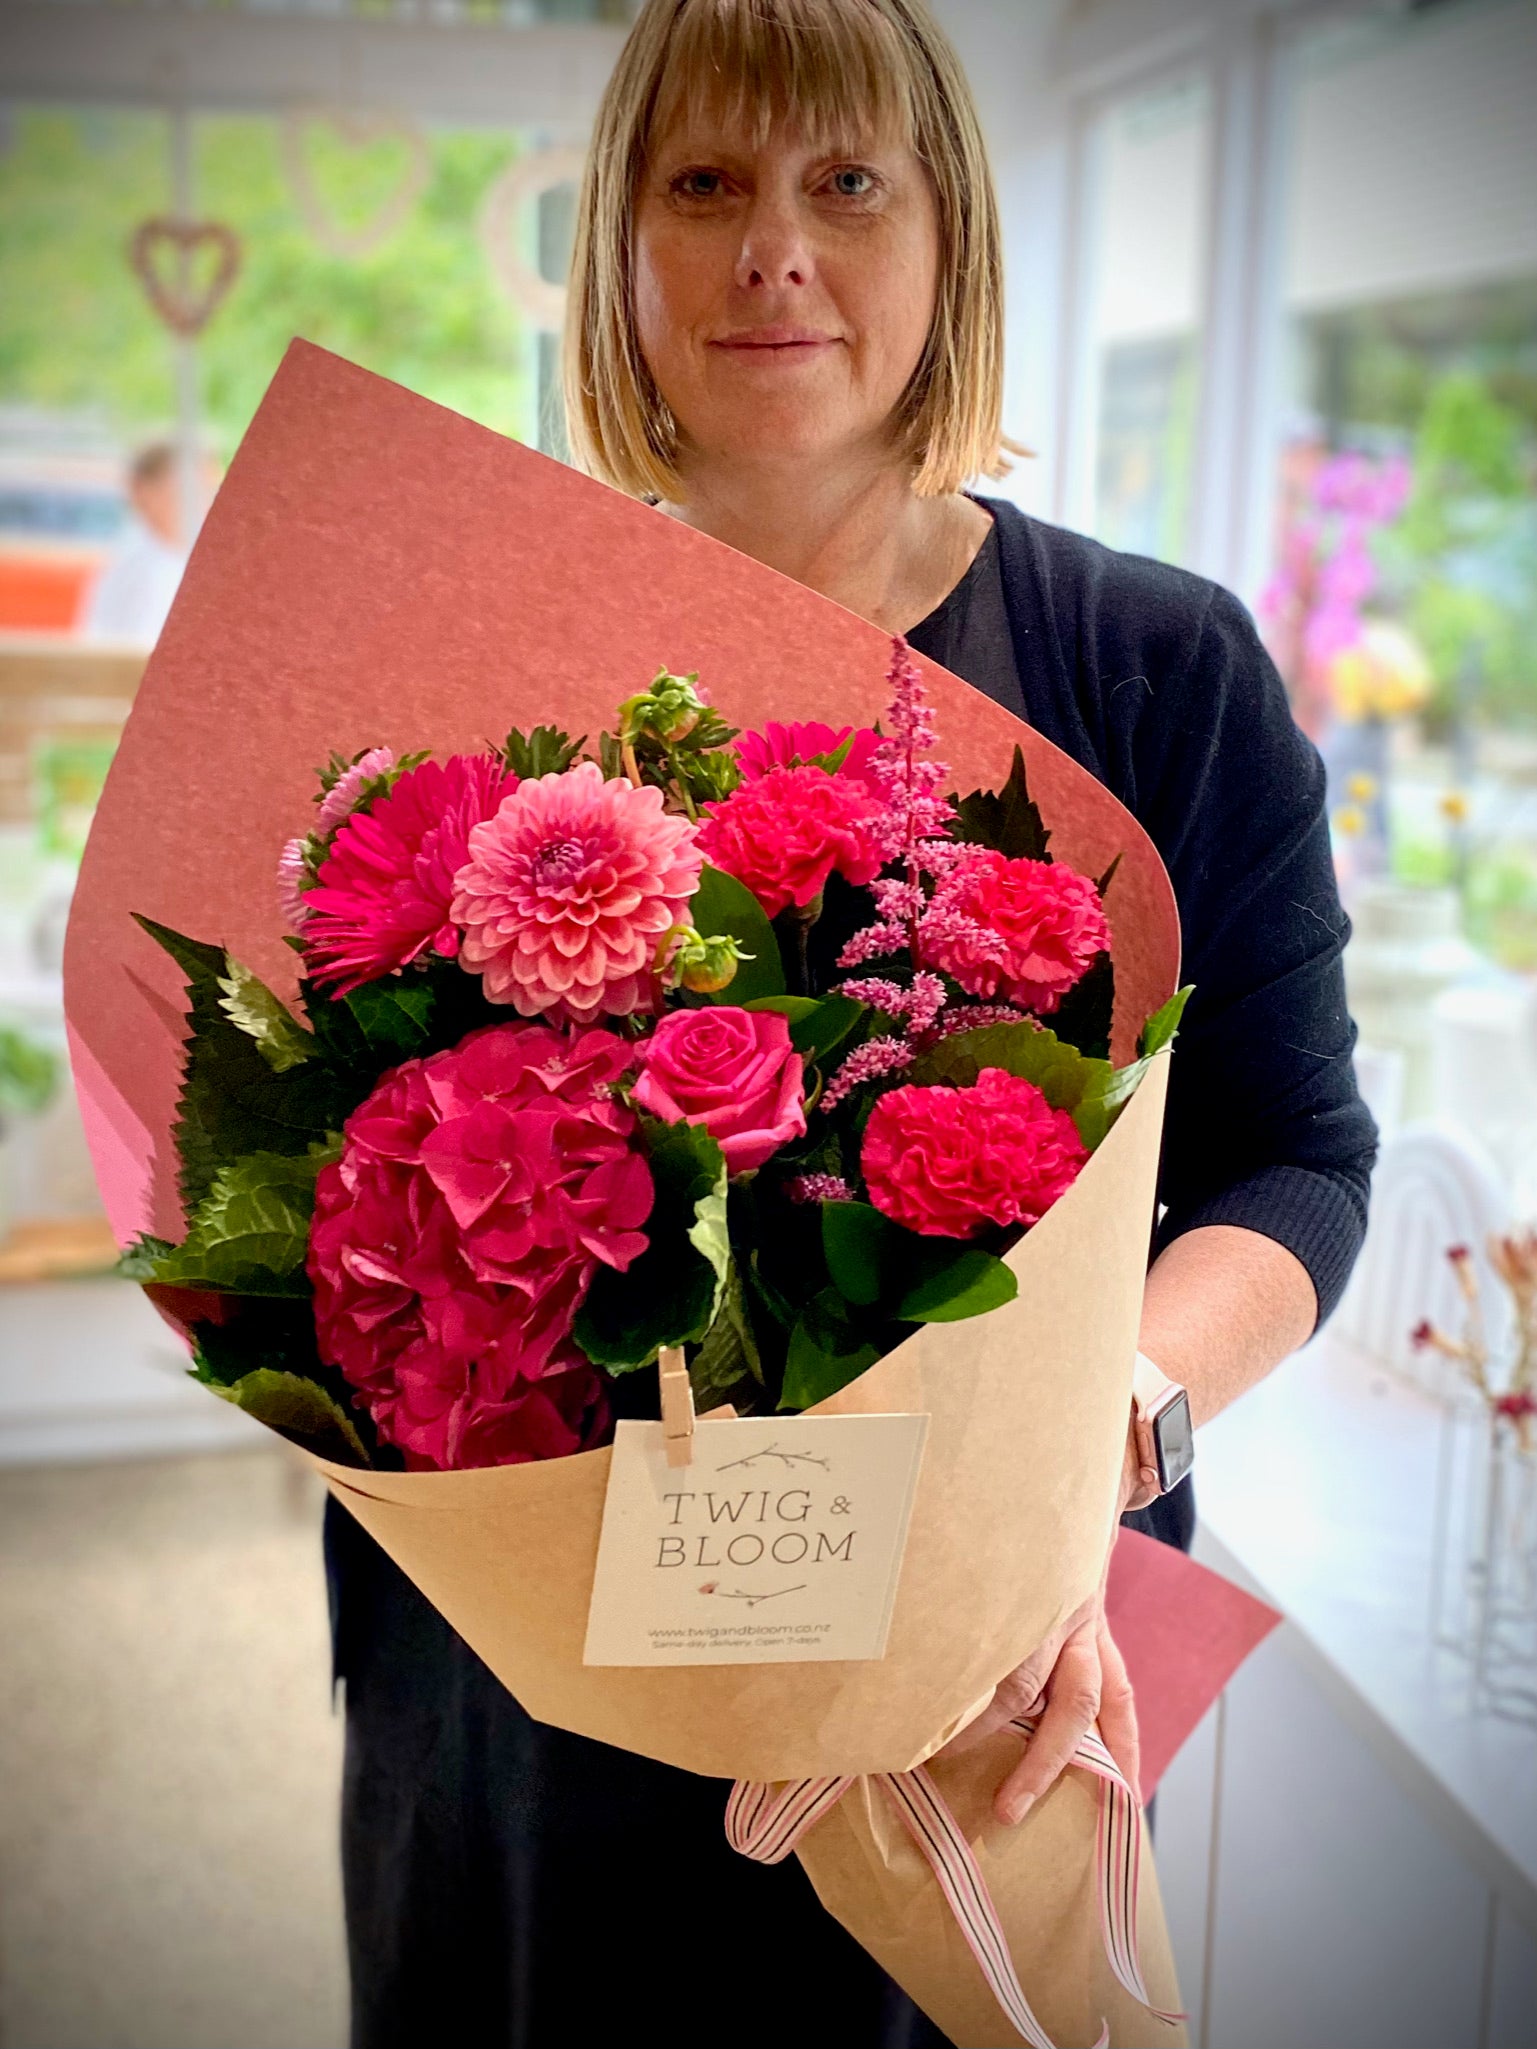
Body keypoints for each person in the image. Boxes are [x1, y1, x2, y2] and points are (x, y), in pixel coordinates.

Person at [325, 3, 1377, 2044]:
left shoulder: (1160, 671)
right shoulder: (476, 660)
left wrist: (1095, 1432)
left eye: (845, 182)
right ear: (617, 248)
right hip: (540, 1681)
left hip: (982, 1661)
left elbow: (1301, 1157)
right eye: (702, 185)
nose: (770, 250)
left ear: (947, 235)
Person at [82, 441, 193, 645]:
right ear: (144, 489)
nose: (206, 497)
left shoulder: (167, 554)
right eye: (188, 486)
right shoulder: (145, 566)